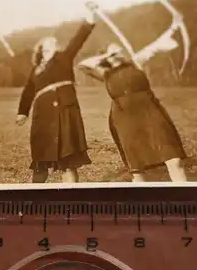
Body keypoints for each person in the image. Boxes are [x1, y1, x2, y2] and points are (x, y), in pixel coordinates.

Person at [77, 16, 188, 182]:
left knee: (173, 158)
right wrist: (107, 56)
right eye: (113, 53)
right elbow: (83, 64)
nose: (118, 54)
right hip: (124, 117)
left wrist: (174, 27)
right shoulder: (104, 72)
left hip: (149, 111)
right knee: (137, 166)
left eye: (118, 51)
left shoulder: (135, 62)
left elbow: (156, 45)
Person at [15, 2, 99, 183]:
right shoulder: (36, 69)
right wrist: (22, 112)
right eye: (50, 45)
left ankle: (72, 198)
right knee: (41, 159)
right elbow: (28, 92)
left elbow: (79, 38)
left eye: (55, 44)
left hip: (65, 112)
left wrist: (90, 16)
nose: (55, 46)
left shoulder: (64, 57)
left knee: (67, 161)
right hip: (42, 115)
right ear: (41, 50)